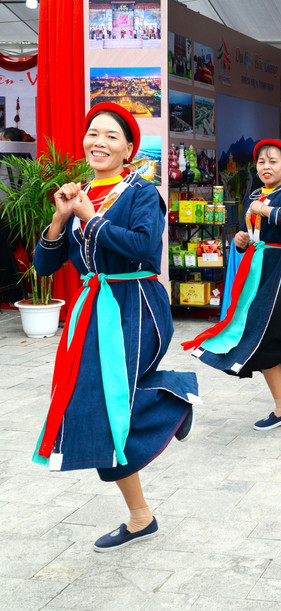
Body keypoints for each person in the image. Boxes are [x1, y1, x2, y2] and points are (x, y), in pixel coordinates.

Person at [32, 102, 198, 551]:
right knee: (88, 404)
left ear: (128, 148)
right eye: (92, 133)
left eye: (110, 135)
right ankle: (141, 516)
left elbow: (144, 250)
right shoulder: (80, 193)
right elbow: (45, 265)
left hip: (135, 304)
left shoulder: (141, 193)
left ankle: (173, 397)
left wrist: (90, 218)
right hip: (92, 310)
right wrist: (60, 219)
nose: (98, 142)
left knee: (106, 405)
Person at [183, 139, 281, 431]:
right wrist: (242, 242)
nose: (266, 167)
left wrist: (266, 211)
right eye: (261, 162)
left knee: (262, 329)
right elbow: (249, 232)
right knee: (260, 332)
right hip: (258, 268)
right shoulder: (254, 195)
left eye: (273, 161)